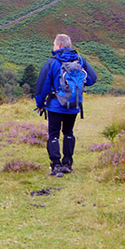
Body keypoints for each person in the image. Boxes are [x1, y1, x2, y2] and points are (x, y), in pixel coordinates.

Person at [35, 33, 97, 177]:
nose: (53, 47)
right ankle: (67, 164)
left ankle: (56, 165)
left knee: (54, 135)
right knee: (68, 133)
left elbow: (42, 86)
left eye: (54, 44)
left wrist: (40, 104)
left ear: (59, 46)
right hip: (74, 105)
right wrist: (79, 84)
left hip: (56, 105)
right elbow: (92, 79)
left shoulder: (53, 62)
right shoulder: (80, 60)